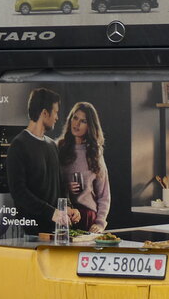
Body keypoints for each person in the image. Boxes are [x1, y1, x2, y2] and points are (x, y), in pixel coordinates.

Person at [6, 87, 79, 235]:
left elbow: (60, 186)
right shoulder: (18, 145)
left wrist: (68, 208)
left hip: (56, 231)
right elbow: (19, 193)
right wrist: (52, 213)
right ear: (45, 113)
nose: (57, 117)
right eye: (56, 112)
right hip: (30, 234)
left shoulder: (52, 145)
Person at [57, 100, 111, 233]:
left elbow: (104, 194)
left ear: (90, 126)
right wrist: (65, 187)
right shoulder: (58, 147)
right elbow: (50, 185)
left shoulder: (95, 153)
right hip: (63, 215)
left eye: (83, 121)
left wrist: (99, 223)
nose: (77, 124)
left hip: (87, 218)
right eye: (75, 118)